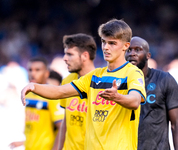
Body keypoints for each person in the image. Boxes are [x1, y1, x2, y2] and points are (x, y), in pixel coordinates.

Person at [21, 19, 146, 150]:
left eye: (112, 43)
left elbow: (135, 100)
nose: (105, 47)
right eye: (103, 42)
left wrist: (117, 97)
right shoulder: (95, 76)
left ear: (126, 46)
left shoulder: (133, 73)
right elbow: (60, 92)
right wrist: (34, 87)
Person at [125, 36, 178, 150]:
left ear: (148, 56)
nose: (132, 53)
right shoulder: (117, 83)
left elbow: (176, 123)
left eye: (138, 50)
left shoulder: (164, 79)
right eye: (129, 50)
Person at [58, 33, 97, 150]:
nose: (65, 58)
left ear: (85, 56)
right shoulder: (67, 81)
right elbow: (66, 121)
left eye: (70, 54)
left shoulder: (102, 83)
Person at [23, 57, 64, 150]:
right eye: (30, 70)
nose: (32, 73)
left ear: (46, 73)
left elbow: (61, 127)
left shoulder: (52, 95)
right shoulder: (28, 94)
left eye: (37, 70)